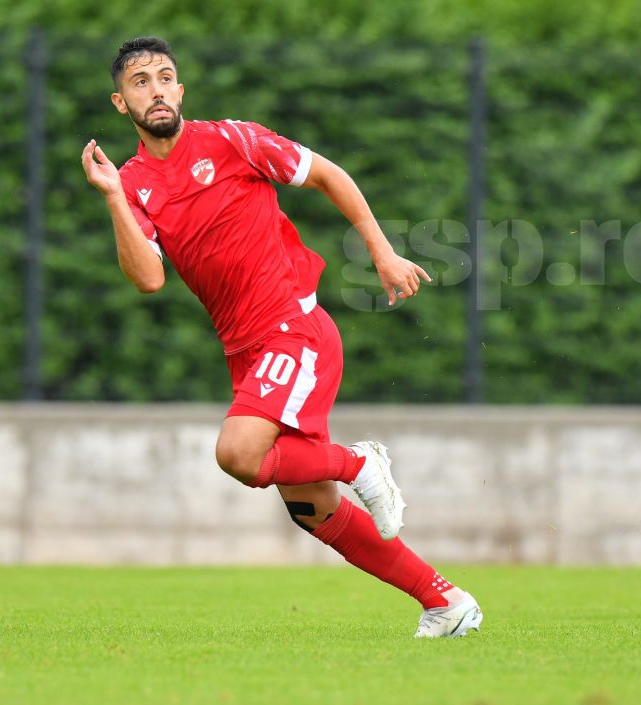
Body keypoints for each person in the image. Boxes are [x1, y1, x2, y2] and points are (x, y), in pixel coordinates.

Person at [82, 36, 482, 638]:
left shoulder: (232, 140)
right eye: (141, 82)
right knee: (310, 507)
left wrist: (382, 251)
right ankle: (444, 602)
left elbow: (326, 174)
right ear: (121, 103)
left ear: (181, 89)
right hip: (244, 350)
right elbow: (147, 278)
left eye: (166, 77)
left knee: (238, 453)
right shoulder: (134, 183)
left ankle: (359, 462)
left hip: (292, 329)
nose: (156, 89)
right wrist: (114, 197)